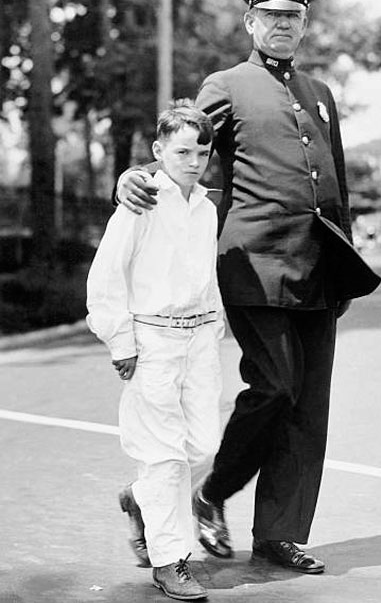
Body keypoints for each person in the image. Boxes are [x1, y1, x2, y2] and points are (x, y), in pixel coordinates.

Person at [117, 0, 381, 575]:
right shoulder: (228, 84)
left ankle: (278, 534)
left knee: (308, 407)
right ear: (251, 23)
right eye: (272, 16)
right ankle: (207, 495)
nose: (283, 24)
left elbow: (334, 187)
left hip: (318, 269)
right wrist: (139, 174)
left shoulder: (320, 92)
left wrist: (346, 264)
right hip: (253, 264)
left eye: (294, 16)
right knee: (276, 387)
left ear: (305, 24)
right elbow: (184, 141)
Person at [87, 101, 225, 600]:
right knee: (164, 458)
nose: (192, 161)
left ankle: (140, 499)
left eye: (201, 152)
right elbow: (105, 276)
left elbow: (205, 276)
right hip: (153, 342)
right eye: (182, 151)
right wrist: (120, 342)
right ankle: (171, 561)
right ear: (158, 151)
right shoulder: (141, 200)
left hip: (201, 338)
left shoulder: (206, 208)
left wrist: (216, 326)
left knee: (204, 446)